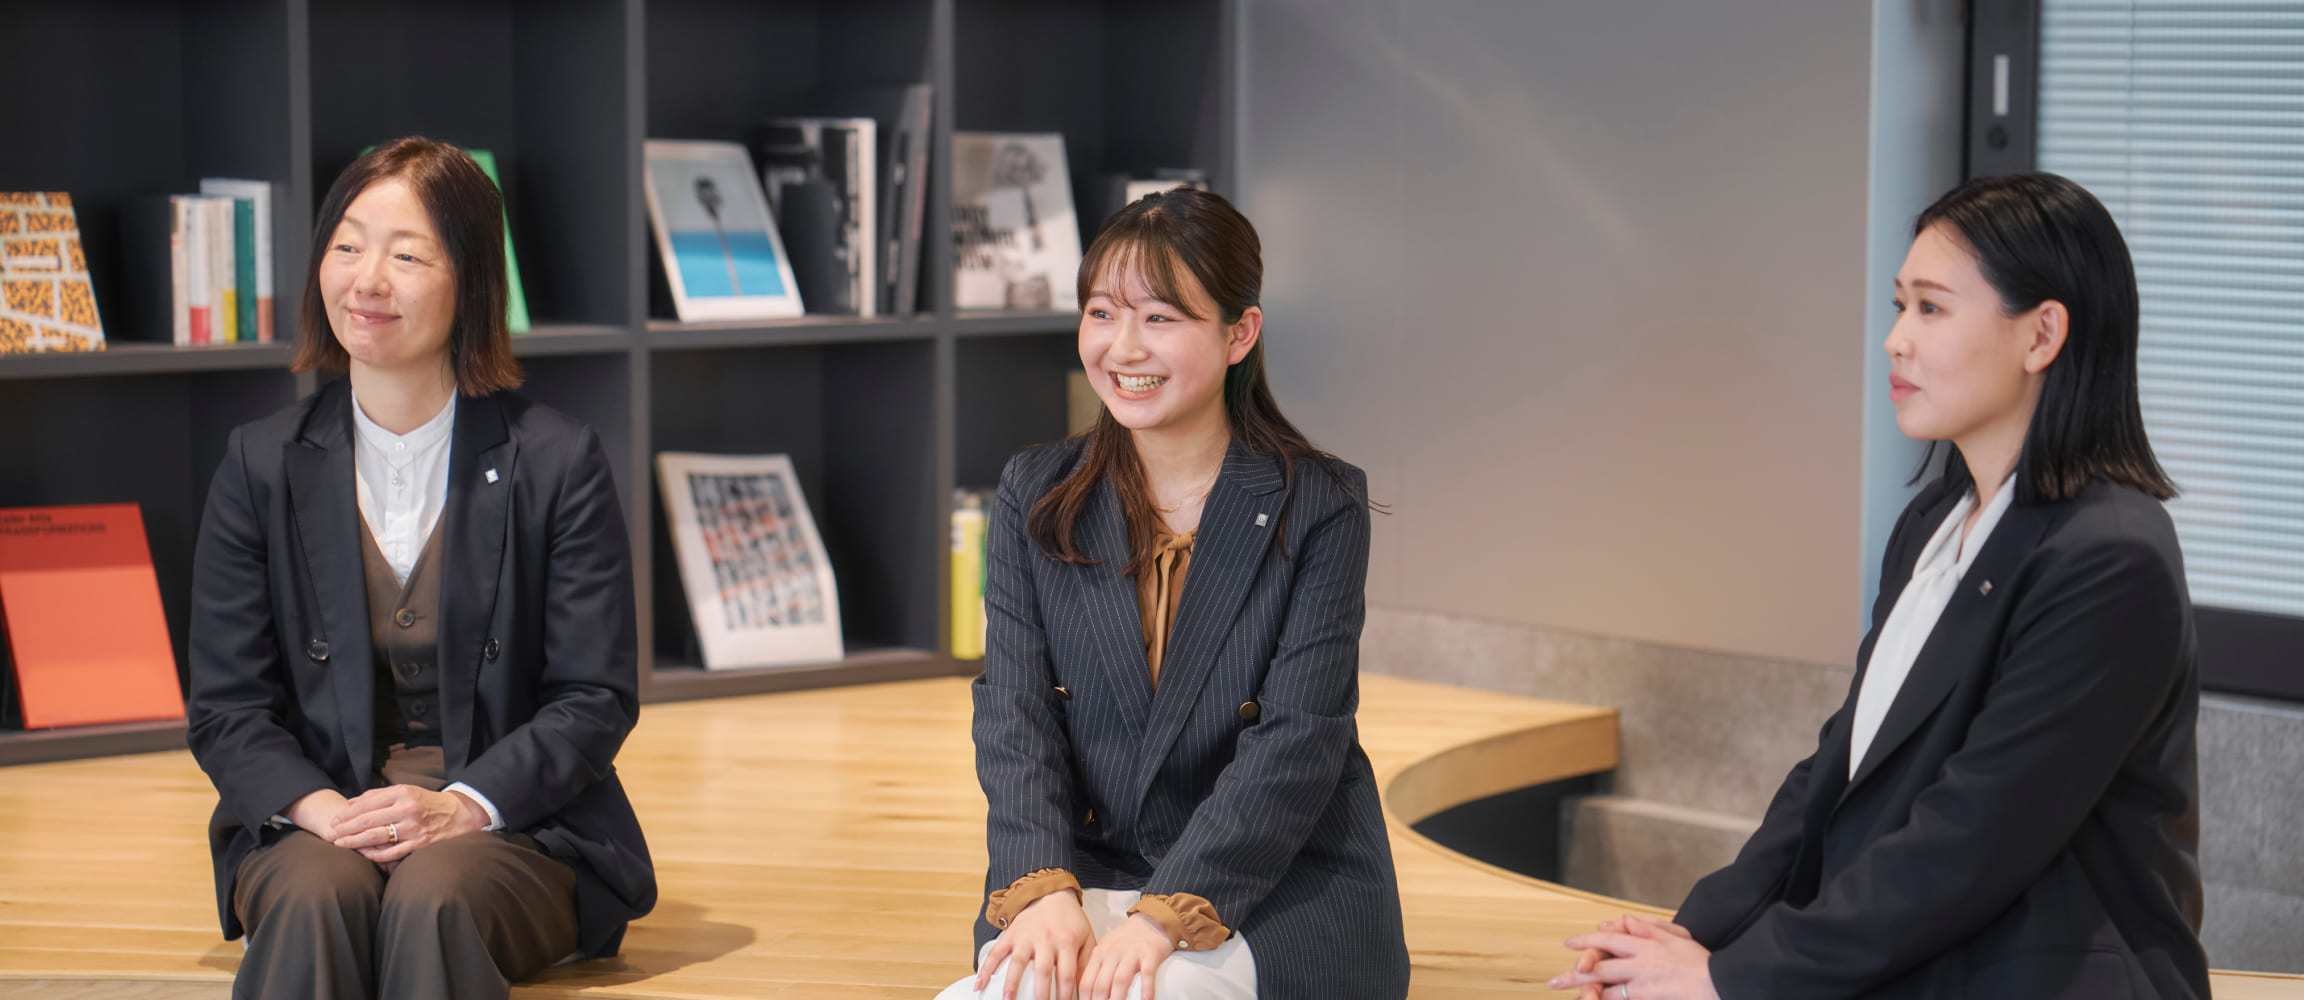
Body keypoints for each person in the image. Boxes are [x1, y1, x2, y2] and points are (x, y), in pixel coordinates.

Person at [1551, 172, 2207, 1000]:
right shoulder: (1936, 520)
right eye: (1900, 306)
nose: (1896, 339)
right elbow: (1841, 768)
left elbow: (1970, 837)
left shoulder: (2113, 557)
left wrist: (1732, 978)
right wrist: (1695, 932)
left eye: (1930, 309)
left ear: (2042, 336)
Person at [186, 136, 656, 1000]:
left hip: (516, 830)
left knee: (431, 899)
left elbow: (595, 698)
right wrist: (323, 813)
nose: (367, 281)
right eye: (347, 246)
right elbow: (226, 708)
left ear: (471, 282)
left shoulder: (556, 460)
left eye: (407, 255)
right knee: (312, 898)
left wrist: (464, 804)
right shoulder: (258, 463)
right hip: (321, 818)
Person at [938, 188, 1410, 1000]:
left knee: (1161, 994)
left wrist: (1162, 921)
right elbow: (1014, 713)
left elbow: (1297, 744)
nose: (1123, 347)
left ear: (1240, 333)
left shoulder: (1320, 504)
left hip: (1273, 881)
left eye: (1160, 318)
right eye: (1101, 314)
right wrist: (1042, 883)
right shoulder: (1035, 493)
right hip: (1086, 863)